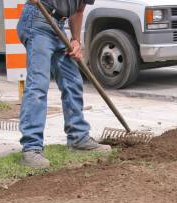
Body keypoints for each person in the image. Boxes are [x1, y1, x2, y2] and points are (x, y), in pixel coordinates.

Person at [17, 0, 110, 169]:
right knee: (38, 85)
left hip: (58, 25)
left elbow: (78, 11)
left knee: (73, 81)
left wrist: (76, 41)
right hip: (37, 19)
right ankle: (31, 148)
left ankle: (78, 138)